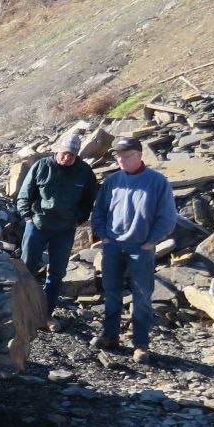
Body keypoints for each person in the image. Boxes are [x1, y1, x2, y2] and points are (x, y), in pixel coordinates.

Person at [90, 136, 177, 364]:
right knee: (111, 292)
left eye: (125, 156)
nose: (120, 160)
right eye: (117, 156)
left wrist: (152, 241)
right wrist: (104, 236)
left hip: (141, 248)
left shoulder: (157, 182)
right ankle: (110, 336)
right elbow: (98, 211)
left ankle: (140, 344)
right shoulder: (112, 181)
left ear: (139, 155)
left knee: (142, 296)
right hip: (113, 246)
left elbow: (167, 217)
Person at [16, 133, 98, 331]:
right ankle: (21, 313)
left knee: (56, 274)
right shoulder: (42, 166)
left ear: (77, 155)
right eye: (64, 153)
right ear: (57, 150)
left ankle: (46, 315)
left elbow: (88, 201)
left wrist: (77, 221)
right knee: (27, 270)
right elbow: (24, 194)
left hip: (64, 230)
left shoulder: (84, 172)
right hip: (37, 225)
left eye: (71, 155)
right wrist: (27, 217)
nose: (67, 158)